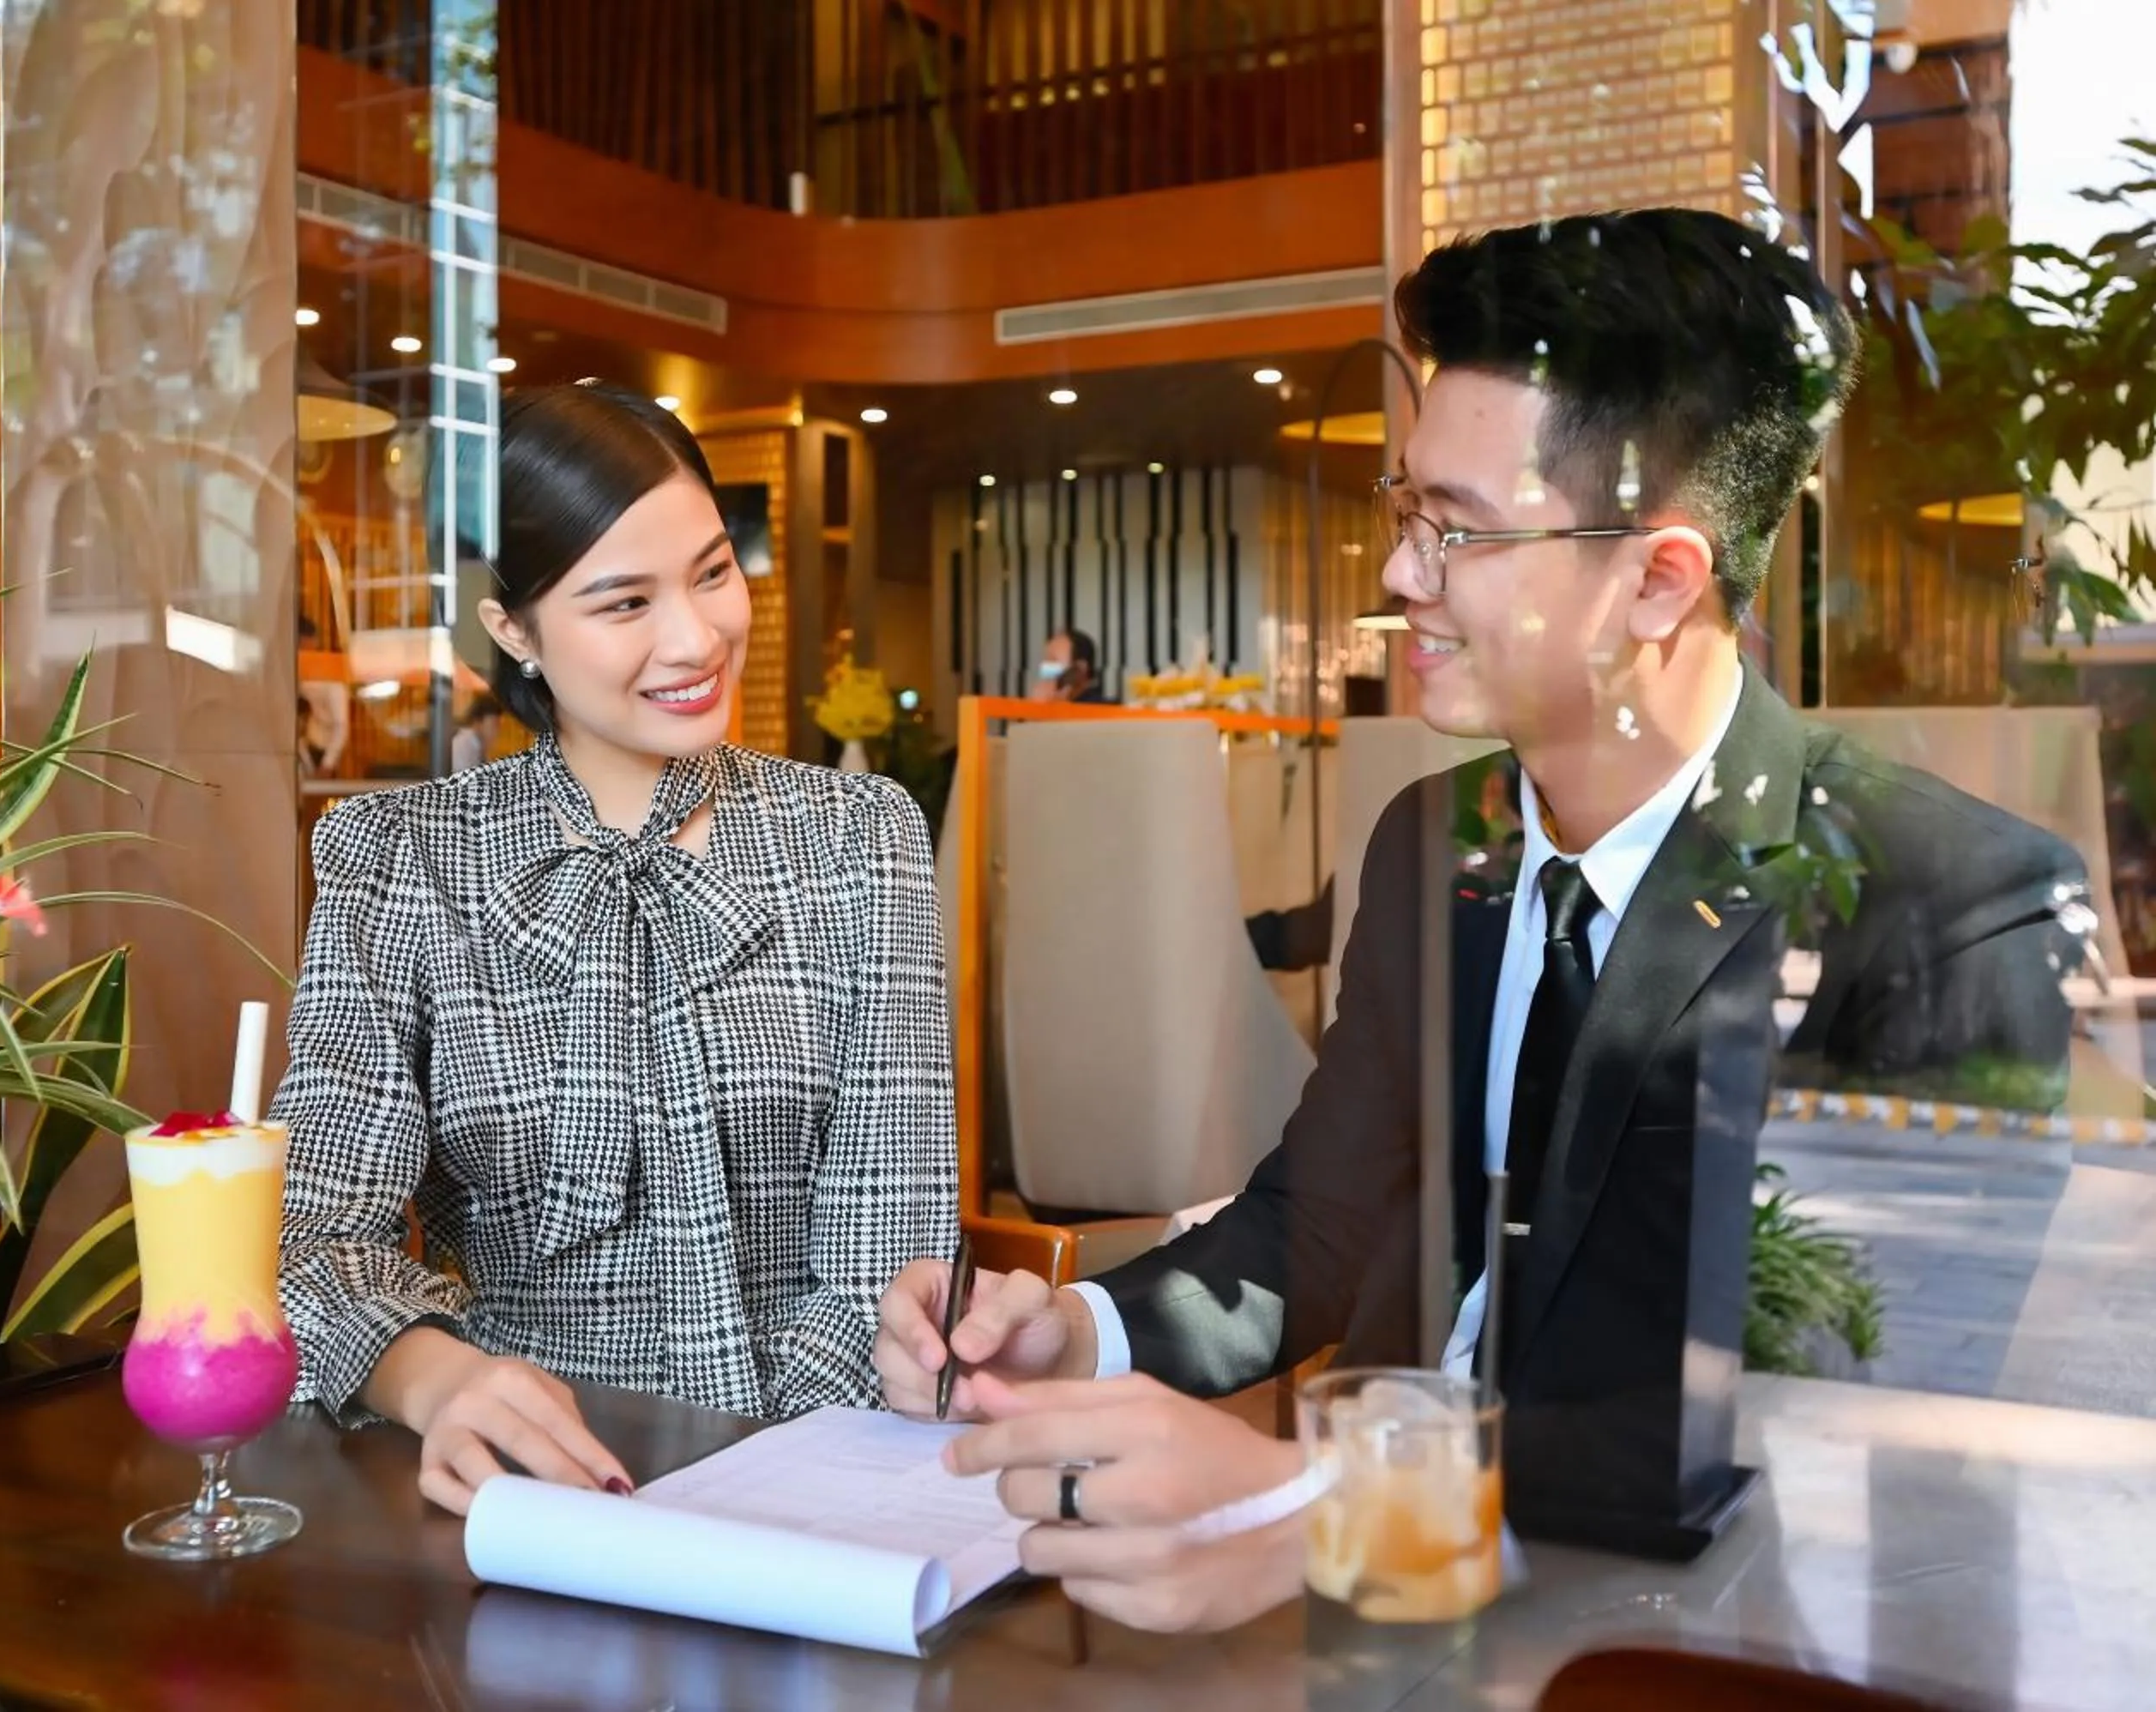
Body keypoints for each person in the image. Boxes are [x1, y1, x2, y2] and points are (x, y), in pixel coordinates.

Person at [875, 208, 2092, 1631]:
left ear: (1657, 580)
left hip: (1680, 1649)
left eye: (1460, 531)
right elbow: (1321, 1229)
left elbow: (1819, 1403)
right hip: (1380, 1648)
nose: (1399, 579)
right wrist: (1073, 1331)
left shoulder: (1947, 904)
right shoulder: (1432, 844)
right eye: (1407, 516)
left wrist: (1309, 1513)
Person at [278, 382, 958, 1516]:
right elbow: (307, 1241)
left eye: (711, 573)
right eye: (623, 601)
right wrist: (440, 1381)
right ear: (514, 632)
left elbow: (889, 1260)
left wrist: (750, 1496)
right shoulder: (402, 860)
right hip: (520, 1492)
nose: (695, 638)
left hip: (821, 1486)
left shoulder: (856, 838)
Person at [1030, 627, 1114, 704]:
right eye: (1046, 662)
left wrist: (1052, 709)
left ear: (1080, 669)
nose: (1045, 669)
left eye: (1053, 661)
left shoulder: (1105, 709)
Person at [449, 688, 503, 775]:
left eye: (499, 726)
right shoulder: (463, 744)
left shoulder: (478, 745)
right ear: (478, 723)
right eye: (494, 725)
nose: (497, 731)